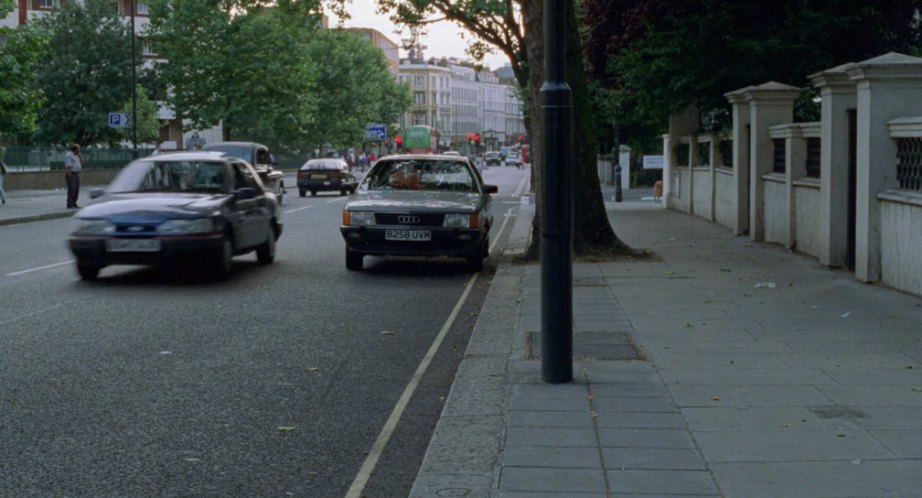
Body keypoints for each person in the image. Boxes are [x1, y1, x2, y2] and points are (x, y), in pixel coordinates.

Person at [64, 144, 82, 209]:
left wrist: (81, 157)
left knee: (76, 189)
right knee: (71, 189)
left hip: (76, 174)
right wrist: (69, 176)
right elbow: (68, 166)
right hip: (71, 174)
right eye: (79, 149)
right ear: (75, 149)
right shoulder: (69, 155)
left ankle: (74, 203)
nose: (79, 150)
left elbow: (81, 163)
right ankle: (69, 204)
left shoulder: (76, 155)